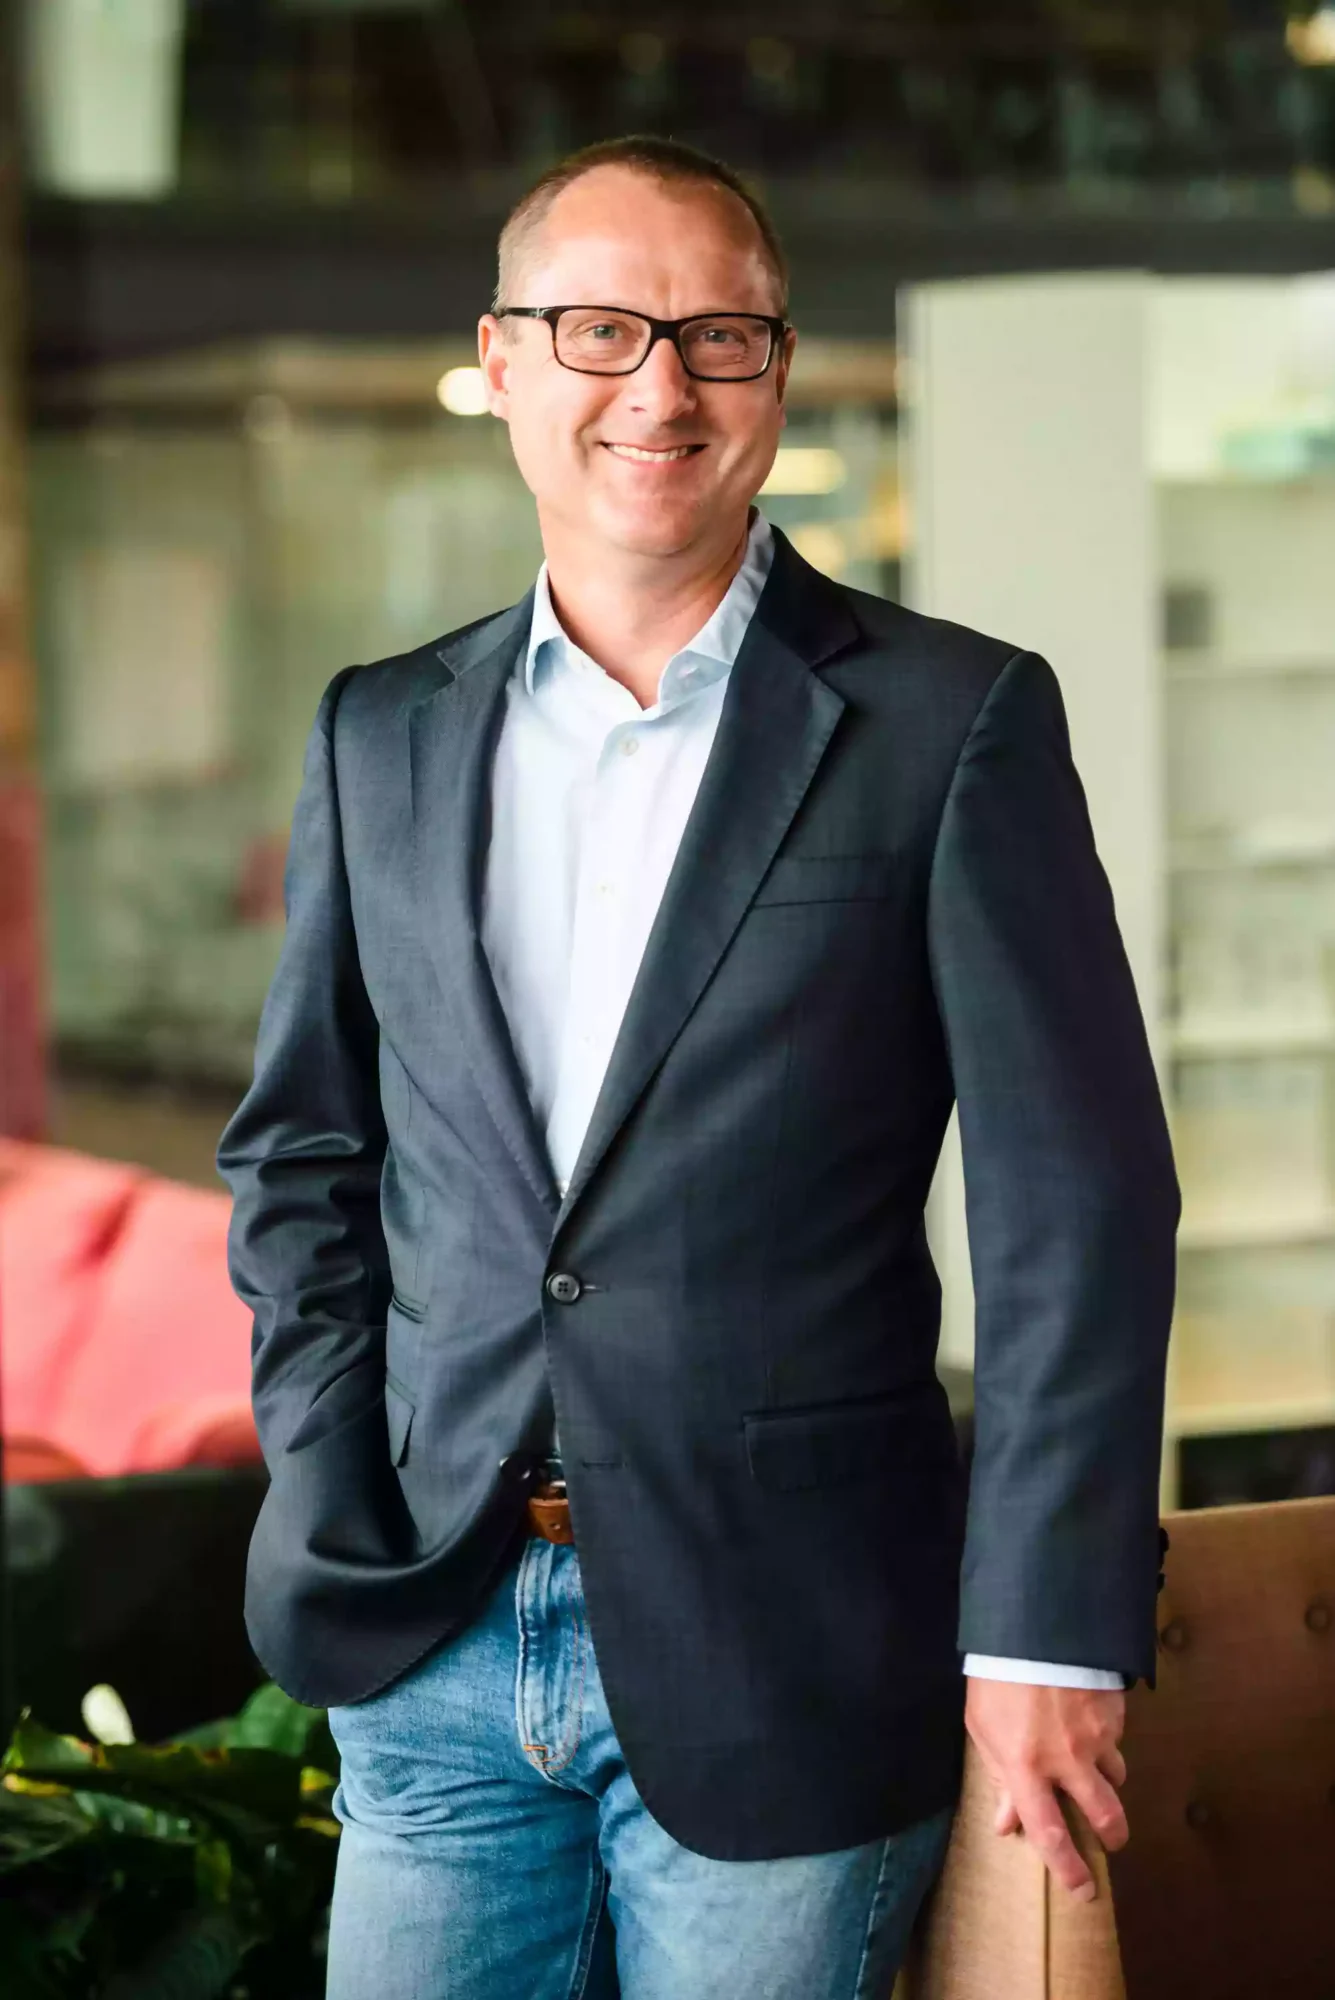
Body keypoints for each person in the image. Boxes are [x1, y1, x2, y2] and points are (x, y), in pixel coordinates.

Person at [218, 134, 1180, 2000]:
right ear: (500, 363)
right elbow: (305, 1157)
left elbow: (1078, 1201)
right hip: (431, 1627)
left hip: (798, 1641)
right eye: (598, 329)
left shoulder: (949, 723)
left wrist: (1046, 1640)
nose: (658, 385)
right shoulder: (380, 734)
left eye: (717, 334)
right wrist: (331, 1470)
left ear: (778, 372)